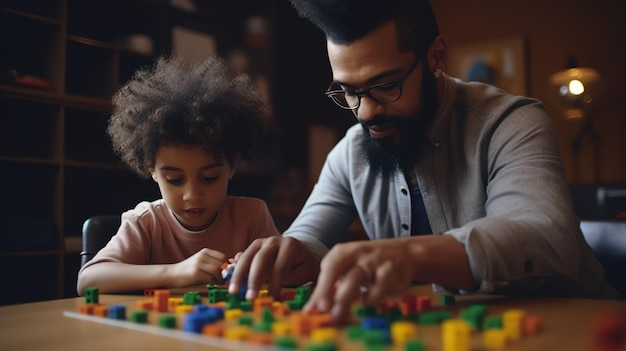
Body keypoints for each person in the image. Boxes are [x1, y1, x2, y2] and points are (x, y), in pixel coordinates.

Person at [228, 0, 621, 321]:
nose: (364, 112)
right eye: (348, 91)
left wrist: (409, 255)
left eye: (385, 86)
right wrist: (291, 253)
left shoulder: (511, 123)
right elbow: (308, 239)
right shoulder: (350, 152)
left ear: (436, 56)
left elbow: (547, 239)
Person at [77, 56, 279, 296]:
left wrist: (259, 268)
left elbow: (286, 274)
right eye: (175, 180)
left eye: (209, 178)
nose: (192, 196)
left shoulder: (251, 216)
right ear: (152, 169)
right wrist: (175, 272)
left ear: (232, 165)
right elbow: (87, 281)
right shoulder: (146, 222)